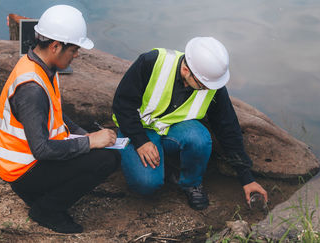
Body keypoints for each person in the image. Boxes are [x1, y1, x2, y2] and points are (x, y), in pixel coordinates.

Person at [0, 5, 120, 234]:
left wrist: (85, 134)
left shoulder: (41, 66)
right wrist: (90, 142)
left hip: (29, 162)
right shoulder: (31, 89)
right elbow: (42, 149)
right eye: (73, 50)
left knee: (100, 142)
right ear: (55, 46)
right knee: (106, 160)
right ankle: (46, 209)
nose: (77, 55)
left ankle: (51, 191)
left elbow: (56, 114)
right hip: (23, 173)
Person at [112, 36, 268, 211]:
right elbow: (122, 104)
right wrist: (141, 141)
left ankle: (191, 183)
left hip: (173, 128)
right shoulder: (152, 62)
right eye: (203, 85)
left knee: (199, 138)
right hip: (138, 128)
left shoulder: (210, 82)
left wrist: (247, 178)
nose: (208, 89)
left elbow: (227, 127)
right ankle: (143, 159)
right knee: (146, 184)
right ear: (186, 70)